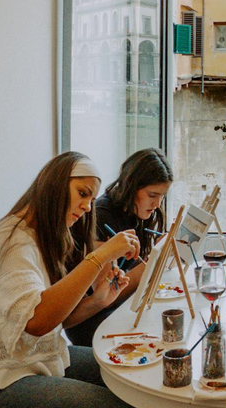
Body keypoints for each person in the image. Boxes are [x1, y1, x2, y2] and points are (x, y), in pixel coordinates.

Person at [0, 152, 139, 408]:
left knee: (127, 375)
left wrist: (98, 301)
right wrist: (99, 257)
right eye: (82, 193)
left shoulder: (42, 238)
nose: (88, 207)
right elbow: (36, 322)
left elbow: (54, 321)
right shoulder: (8, 241)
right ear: (55, 185)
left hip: (31, 361)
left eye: (91, 198)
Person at [65, 147, 173, 346]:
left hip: (119, 308)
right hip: (91, 320)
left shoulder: (137, 213)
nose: (157, 203)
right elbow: (108, 294)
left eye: (162, 196)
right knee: (158, 338)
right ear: (132, 186)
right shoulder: (102, 215)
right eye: (152, 195)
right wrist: (153, 262)